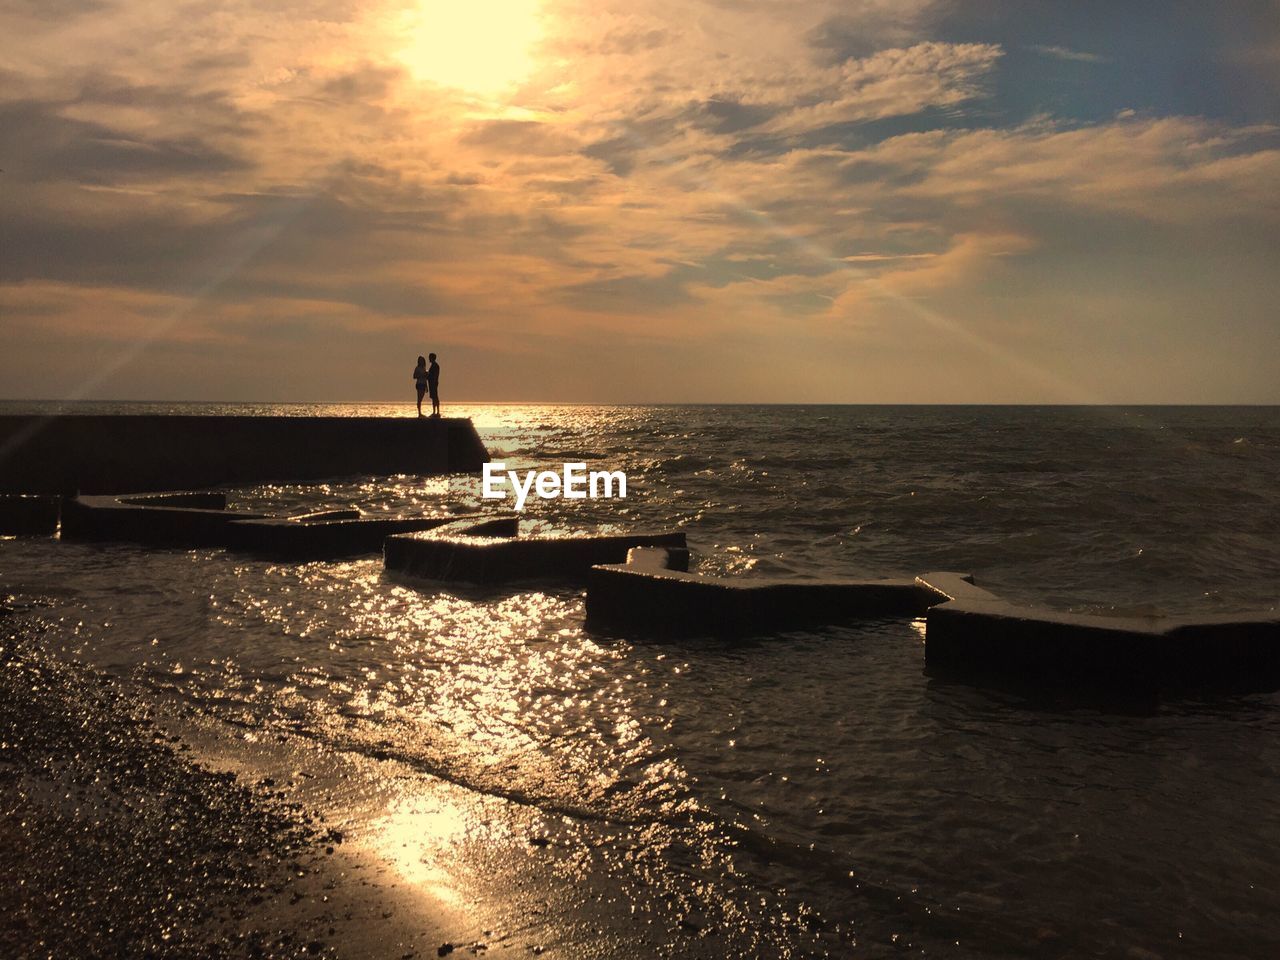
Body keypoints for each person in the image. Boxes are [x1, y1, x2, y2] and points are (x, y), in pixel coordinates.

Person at [427, 352, 441, 417]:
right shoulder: (433, 365)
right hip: (432, 383)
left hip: (433, 383)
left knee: (435, 397)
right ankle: (434, 411)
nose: (429, 359)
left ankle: (437, 412)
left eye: (429, 357)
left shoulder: (435, 365)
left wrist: (429, 375)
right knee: (433, 397)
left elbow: (435, 375)